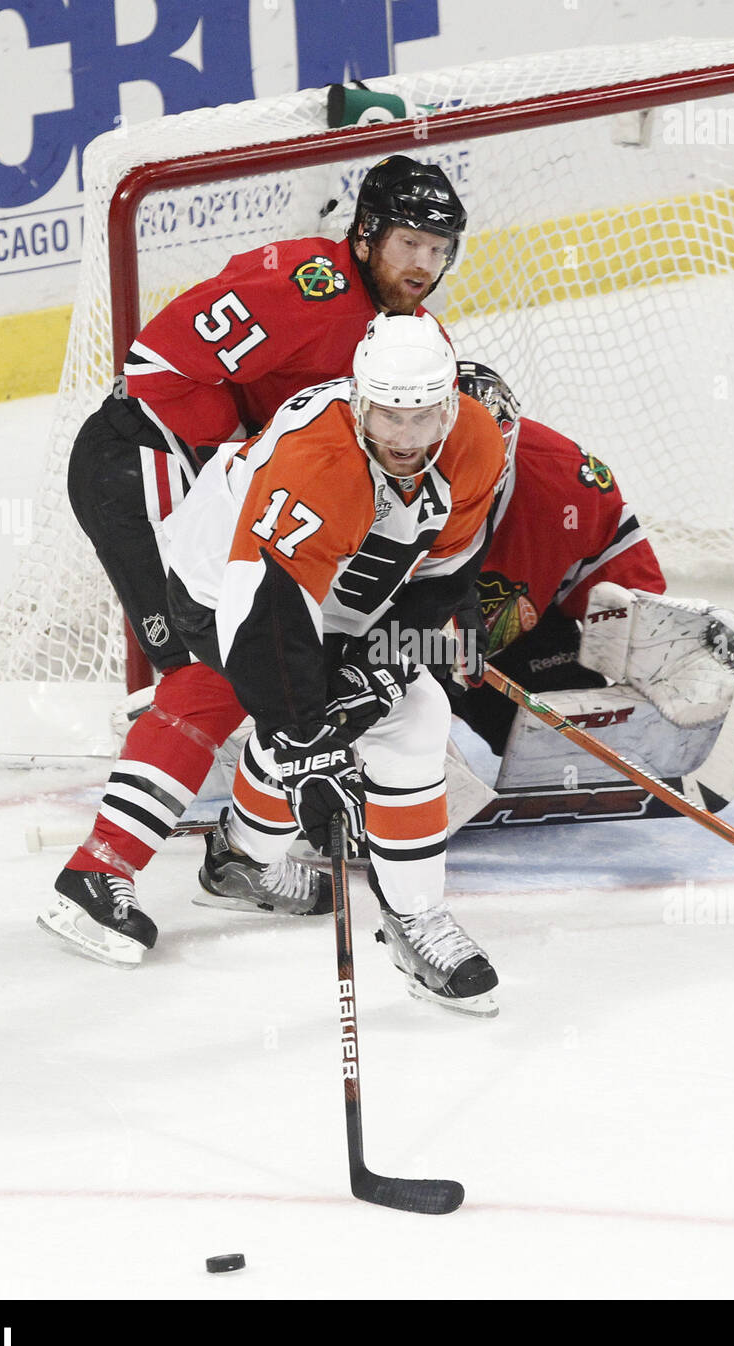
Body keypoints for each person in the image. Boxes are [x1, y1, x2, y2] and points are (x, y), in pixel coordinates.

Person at [36, 156, 467, 969]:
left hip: (198, 480)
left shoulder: (395, 334)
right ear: (367, 234)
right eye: (409, 241)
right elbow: (156, 367)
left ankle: (239, 860)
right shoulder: (312, 287)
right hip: (146, 461)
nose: (423, 264)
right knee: (213, 674)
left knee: (240, 664)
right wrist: (233, 458)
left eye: (439, 249)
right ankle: (97, 878)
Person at [164, 314, 507, 1017]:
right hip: (222, 588)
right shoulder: (316, 463)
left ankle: (240, 860)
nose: (405, 439)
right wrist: (307, 744)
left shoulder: (475, 440)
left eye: (422, 418)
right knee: (410, 716)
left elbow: (441, 571)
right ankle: (412, 921)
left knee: (370, 703)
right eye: (387, 415)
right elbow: (263, 620)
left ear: (449, 404)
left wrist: (391, 654)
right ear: (359, 401)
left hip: (342, 583)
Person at [449, 362, 734, 776]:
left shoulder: (565, 481)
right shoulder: (371, 483)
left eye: (481, 449)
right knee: (397, 737)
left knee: (563, 747)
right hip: (397, 645)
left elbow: (628, 603)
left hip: (506, 645)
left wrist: (673, 654)